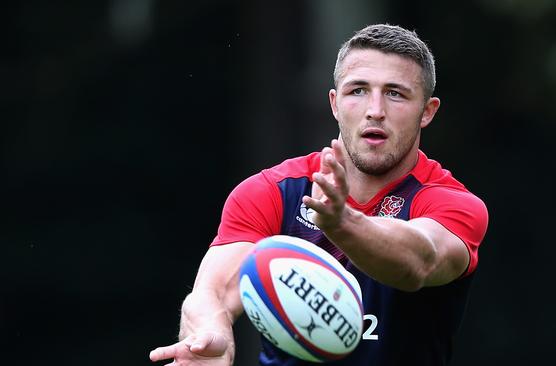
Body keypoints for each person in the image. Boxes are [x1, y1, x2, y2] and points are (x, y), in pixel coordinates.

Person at [150, 23, 488, 366]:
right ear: (334, 103)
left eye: (395, 93)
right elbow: (214, 291)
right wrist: (208, 335)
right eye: (357, 90)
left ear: (427, 111)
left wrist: (342, 222)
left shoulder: (450, 203)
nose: (375, 110)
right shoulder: (273, 191)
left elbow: (418, 261)